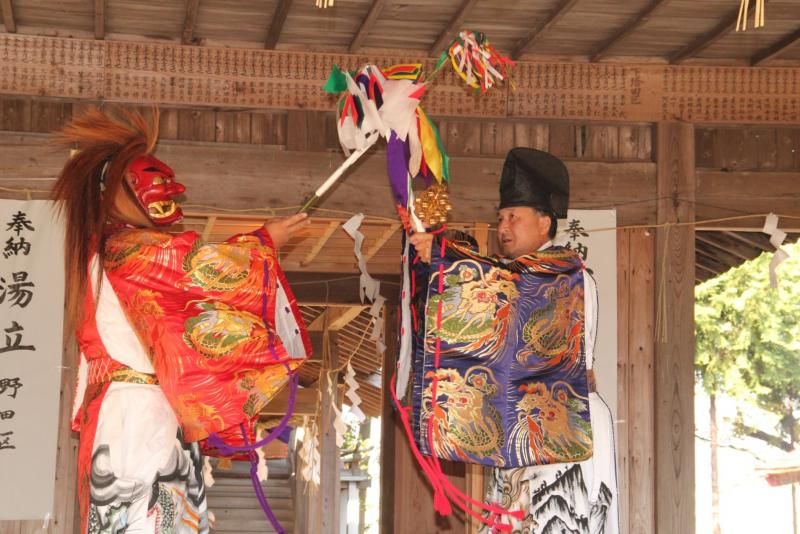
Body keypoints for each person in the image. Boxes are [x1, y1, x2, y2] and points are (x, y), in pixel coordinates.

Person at [53, 107, 311, 534]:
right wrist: (265, 242)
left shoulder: (114, 249)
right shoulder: (127, 249)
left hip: (142, 409)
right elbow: (198, 270)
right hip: (134, 414)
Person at [409, 147, 619, 534]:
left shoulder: (563, 273)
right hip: (524, 423)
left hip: (567, 424)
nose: (503, 226)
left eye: (513, 217)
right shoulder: (517, 275)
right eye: (501, 217)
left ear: (544, 223)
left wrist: (448, 259)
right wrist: (439, 264)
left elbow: (513, 288)